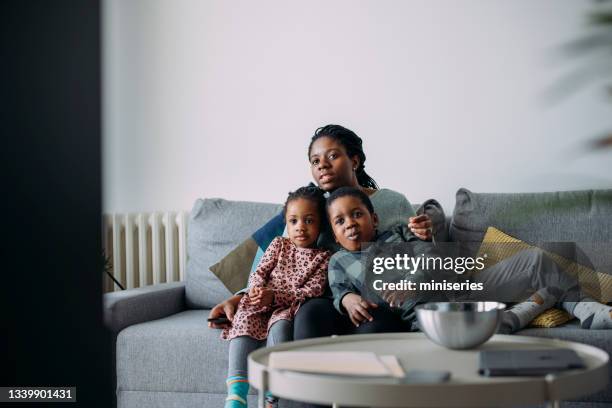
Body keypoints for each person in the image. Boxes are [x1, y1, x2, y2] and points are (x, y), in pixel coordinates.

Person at [208, 124, 437, 338]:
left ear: (354, 161)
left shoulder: (393, 202)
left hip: (378, 303)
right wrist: (241, 297)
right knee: (309, 315)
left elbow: (421, 255)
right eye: (315, 161)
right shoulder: (309, 210)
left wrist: (426, 235)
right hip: (326, 299)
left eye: (333, 156)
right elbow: (281, 263)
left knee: (376, 325)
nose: (322, 165)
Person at [221, 187, 330, 408]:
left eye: (309, 221)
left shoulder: (324, 258)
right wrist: (256, 289)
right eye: (294, 221)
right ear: (286, 225)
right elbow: (259, 272)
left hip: (286, 306)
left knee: (281, 328)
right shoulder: (279, 245)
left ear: (321, 224)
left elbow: (312, 291)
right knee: (243, 320)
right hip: (259, 301)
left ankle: (272, 396)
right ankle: (236, 394)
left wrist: (276, 297)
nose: (300, 227)